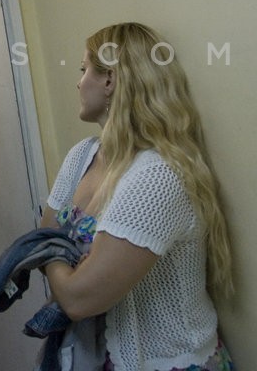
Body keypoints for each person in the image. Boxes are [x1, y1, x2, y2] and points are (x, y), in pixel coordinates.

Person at [41, 23, 234, 371]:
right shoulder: (81, 155)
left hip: (165, 362)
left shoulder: (158, 176)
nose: (79, 83)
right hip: (90, 354)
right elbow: (43, 234)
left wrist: (54, 256)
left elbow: (77, 298)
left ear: (110, 80)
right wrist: (62, 264)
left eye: (84, 70)